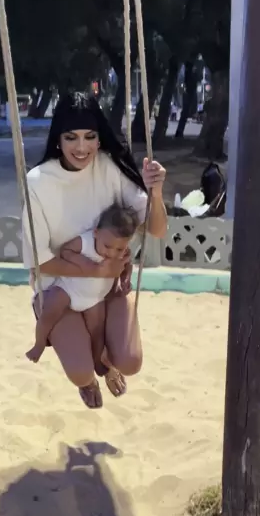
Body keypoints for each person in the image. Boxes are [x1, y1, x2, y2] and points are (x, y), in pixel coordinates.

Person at [22, 92, 168, 409]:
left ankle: (108, 358)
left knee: (129, 362)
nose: (82, 147)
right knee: (81, 371)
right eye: (71, 137)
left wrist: (156, 193)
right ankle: (88, 379)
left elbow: (156, 229)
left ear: (99, 138)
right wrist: (96, 270)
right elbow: (38, 263)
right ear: (58, 139)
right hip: (60, 287)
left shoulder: (108, 167)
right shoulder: (38, 182)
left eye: (90, 136)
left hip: (108, 287)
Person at [26, 202, 139, 370]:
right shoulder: (85, 242)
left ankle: (97, 359)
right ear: (96, 233)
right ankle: (39, 343)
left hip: (94, 298)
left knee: (97, 331)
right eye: (107, 246)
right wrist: (87, 265)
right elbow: (65, 251)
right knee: (50, 309)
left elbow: (126, 267)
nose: (112, 252)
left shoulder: (123, 253)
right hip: (69, 288)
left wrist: (125, 279)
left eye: (119, 249)